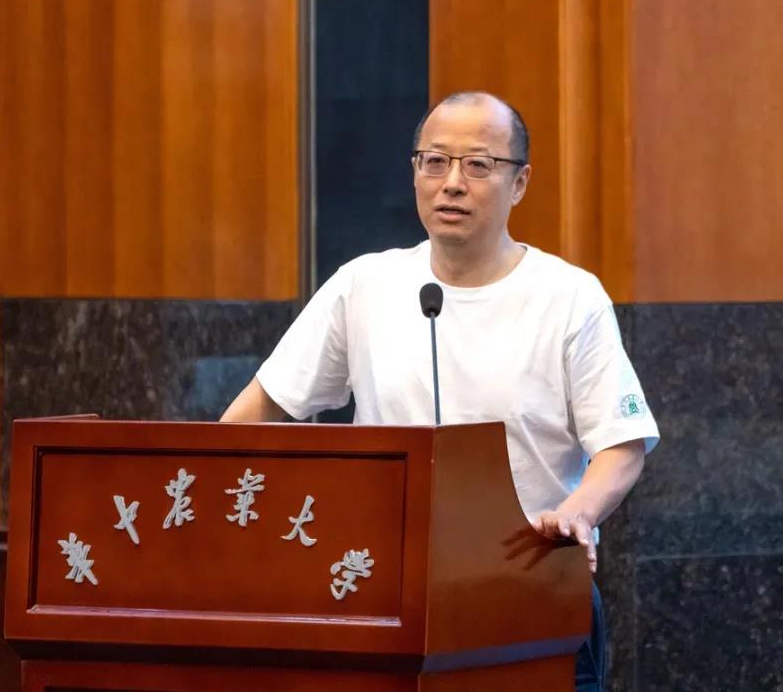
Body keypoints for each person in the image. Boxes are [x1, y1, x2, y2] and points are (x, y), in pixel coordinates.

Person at [221, 91, 659, 691]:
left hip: (528, 588)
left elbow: (622, 445)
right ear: (415, 173)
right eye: (435, 162)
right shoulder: (364, 285)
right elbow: (259, 409)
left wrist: (574, 514)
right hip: (384, 591)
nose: (452, 183)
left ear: (520, 183)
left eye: (478, 164)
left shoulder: (569, 298)